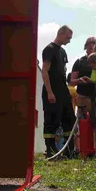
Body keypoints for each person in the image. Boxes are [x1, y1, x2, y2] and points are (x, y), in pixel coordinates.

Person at [41, 25, 76, 158]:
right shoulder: (49, 49)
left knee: (69, 119)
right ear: (60, 34)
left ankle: (69, 150)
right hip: (52, 91)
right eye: (68, 37)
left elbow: (62, 72)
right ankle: (51, 150)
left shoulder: (63, 52)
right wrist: (50, 92)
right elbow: (45, 71)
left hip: (63, 91)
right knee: (52, 120)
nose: (69, 41)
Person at [70, 37, 96, 117]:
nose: (92, 47)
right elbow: (72, 82)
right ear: (86, 47)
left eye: (94, 44)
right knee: (82, 122)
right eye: (90, 45)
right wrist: (79, 80)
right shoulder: (80, 62)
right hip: (83, 96)